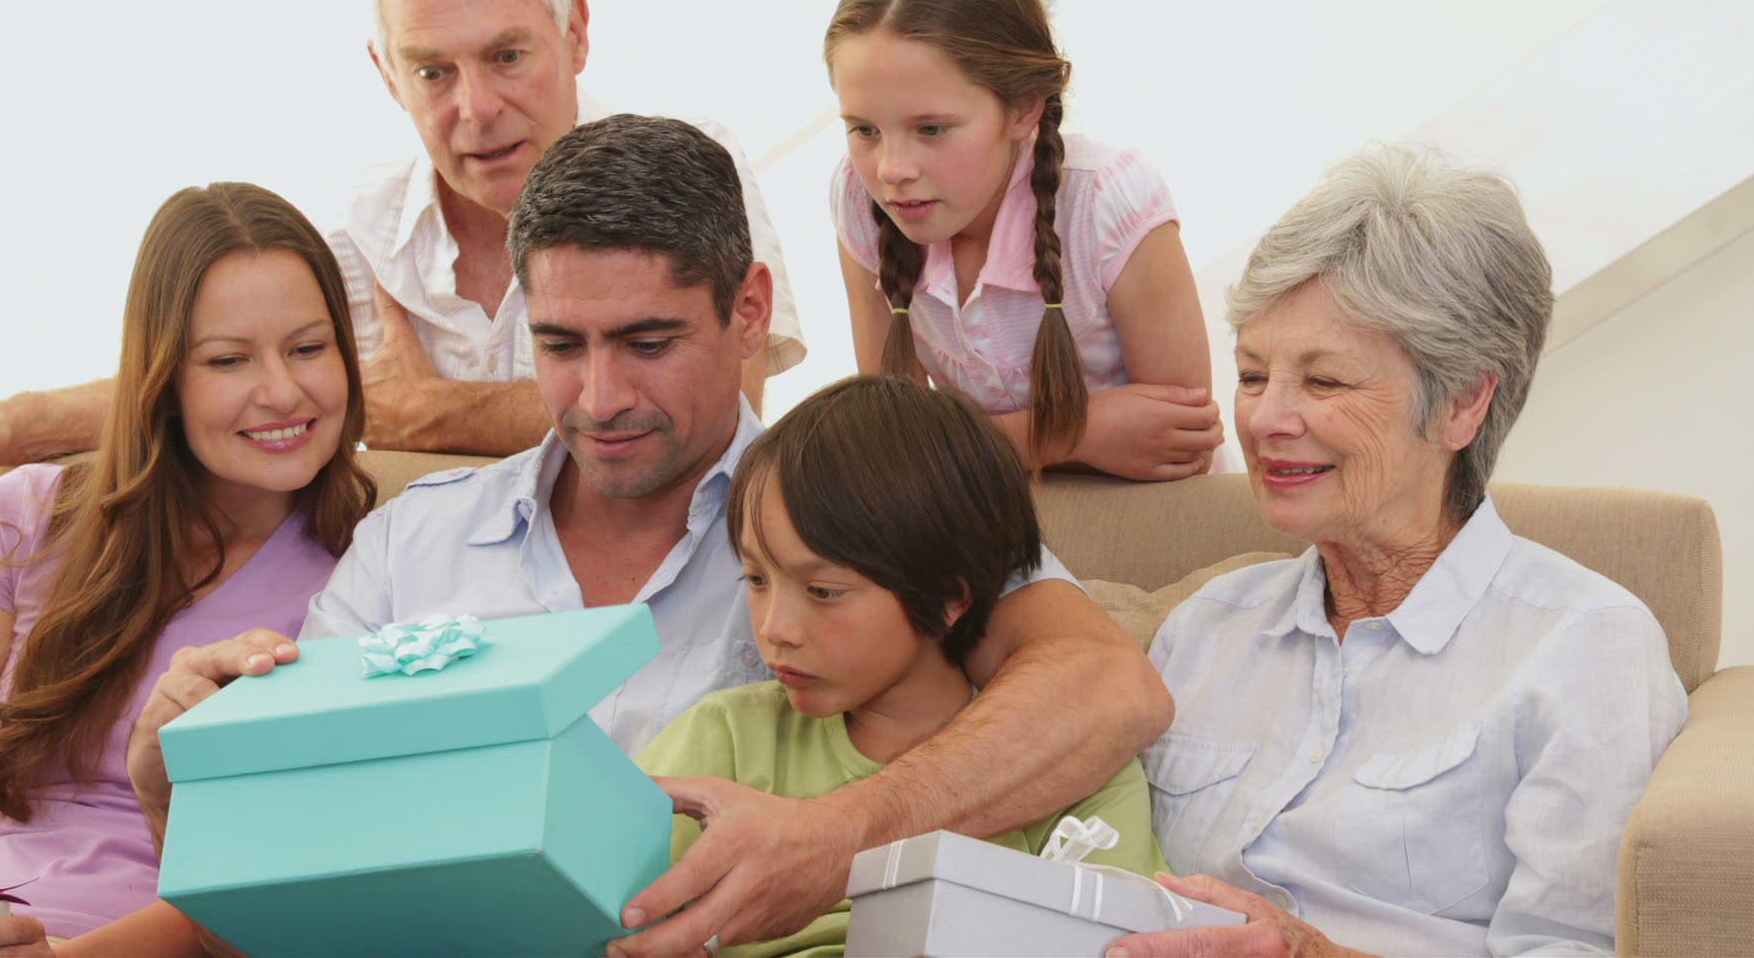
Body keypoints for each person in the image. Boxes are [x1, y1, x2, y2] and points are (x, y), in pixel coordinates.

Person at [122, 115, 1169, 958]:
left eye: (647, 341)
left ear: (750, 309)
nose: (599, 397)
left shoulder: (860, 509)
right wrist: (183, 804)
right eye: (559, 346)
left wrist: (835, 836)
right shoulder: (411, 544)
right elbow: (274, 920)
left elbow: (1107, 688)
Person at [0, 0, 804, 508]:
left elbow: (714, 409)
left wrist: (422, 412)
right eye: (432, 71)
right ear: (386, 73)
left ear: (575, 32)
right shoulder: (355, 237)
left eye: (507, 56)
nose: (476, 108)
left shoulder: (690, 163)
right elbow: (203, 385)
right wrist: (9, 425)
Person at [1105, 145, 1689, 958]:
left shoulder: (1585, 646)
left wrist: (1312, 956)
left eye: (1324, 383)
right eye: (1252, 375)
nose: (1265, 419)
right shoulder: (1205, 629)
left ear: (1461, 403)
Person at [0, 184, 376, 955]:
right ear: (164, 379)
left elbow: (274, 889)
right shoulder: (26, 516)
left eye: (308, 348)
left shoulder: (370, 573)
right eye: (229, 359)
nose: (283, 392)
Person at [638, 374, 1166, 958]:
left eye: (823, 591)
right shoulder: (724, 738)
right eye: (757, 579)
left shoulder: (1074, 767)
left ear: (948, 599)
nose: (774, 628)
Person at [827, 0, 1218, 481]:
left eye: (931, 128)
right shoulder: (858, 197)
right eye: (865, 130)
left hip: (1148, 520)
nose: (892, 169)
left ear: (1024, 107)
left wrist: (958, 446)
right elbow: (895, 454)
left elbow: (1184, 446)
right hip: (991, 519)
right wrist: (1069, 434)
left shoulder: (1107, 201)